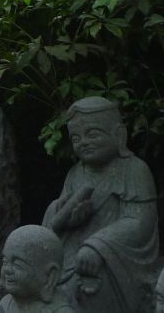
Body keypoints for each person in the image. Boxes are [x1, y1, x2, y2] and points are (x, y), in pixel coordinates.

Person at [43, 97, 158, 313]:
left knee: (82, 286)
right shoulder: (76, 173)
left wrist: (97, 245)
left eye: (92, 134)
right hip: (70, 252)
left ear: (118, 135)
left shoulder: (133, 170)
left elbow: (140, 221)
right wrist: (69, 218)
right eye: (76, 138)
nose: (83, 142)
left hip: (112, 257)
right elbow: (58, 215)